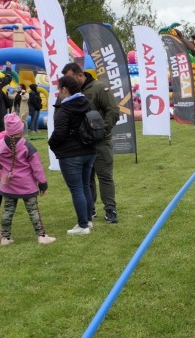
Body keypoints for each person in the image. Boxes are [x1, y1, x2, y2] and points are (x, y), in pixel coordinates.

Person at [0, 113, 55, 245]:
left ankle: (6, 238)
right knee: (33, 210)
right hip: (27, 185)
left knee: (8, 211)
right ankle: (42, 236)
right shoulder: (27, 146)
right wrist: (42, 183)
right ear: (20, 129)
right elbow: (37, 167)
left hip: (8, 184)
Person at [61, 62, 120, 224]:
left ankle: (110, 210)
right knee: (86, 179)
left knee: (105, 175)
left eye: (70, 78)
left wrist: (101, 131)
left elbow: (113, 111)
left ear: (80, 75)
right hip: (82, 143)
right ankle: (89, 210)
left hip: (100, 142)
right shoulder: (73, 93)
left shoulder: (99, 88)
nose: (68, 83)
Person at [48, 75, 97, 236]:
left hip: (71, 154)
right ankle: (88, 220)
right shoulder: (87, 103)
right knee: (85, 186)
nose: (58, 93)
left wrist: (51, 143)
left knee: (77, 189)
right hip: (89, 150)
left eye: (59, 90)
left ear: (64, 89)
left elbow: (60, 132)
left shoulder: (65, 109)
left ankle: (83, 225)